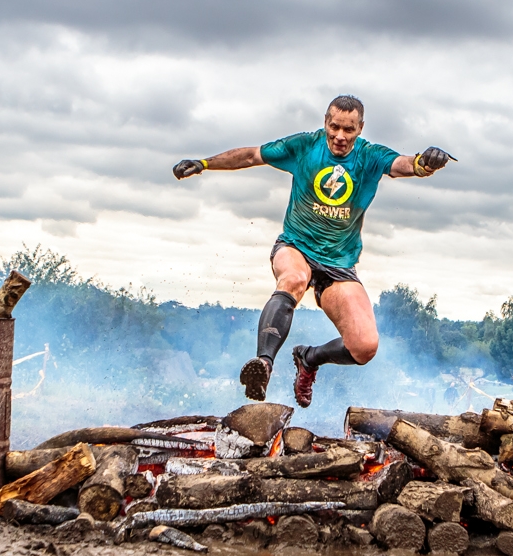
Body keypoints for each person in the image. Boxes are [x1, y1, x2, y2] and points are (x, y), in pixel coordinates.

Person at [173, 95, 453, 407]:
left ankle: (308, 359)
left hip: (338, 264)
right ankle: (263, 364)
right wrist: (204, 163)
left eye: (349, 130)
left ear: (360, 128)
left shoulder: (370, 156)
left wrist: (424, 163)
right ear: (325, 122)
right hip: (295, 246)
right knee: (293, 279)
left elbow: (403, 164)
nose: (340, 136)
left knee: (364, 346)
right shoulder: (305, 146)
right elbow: (252, 155)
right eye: (334, 127)